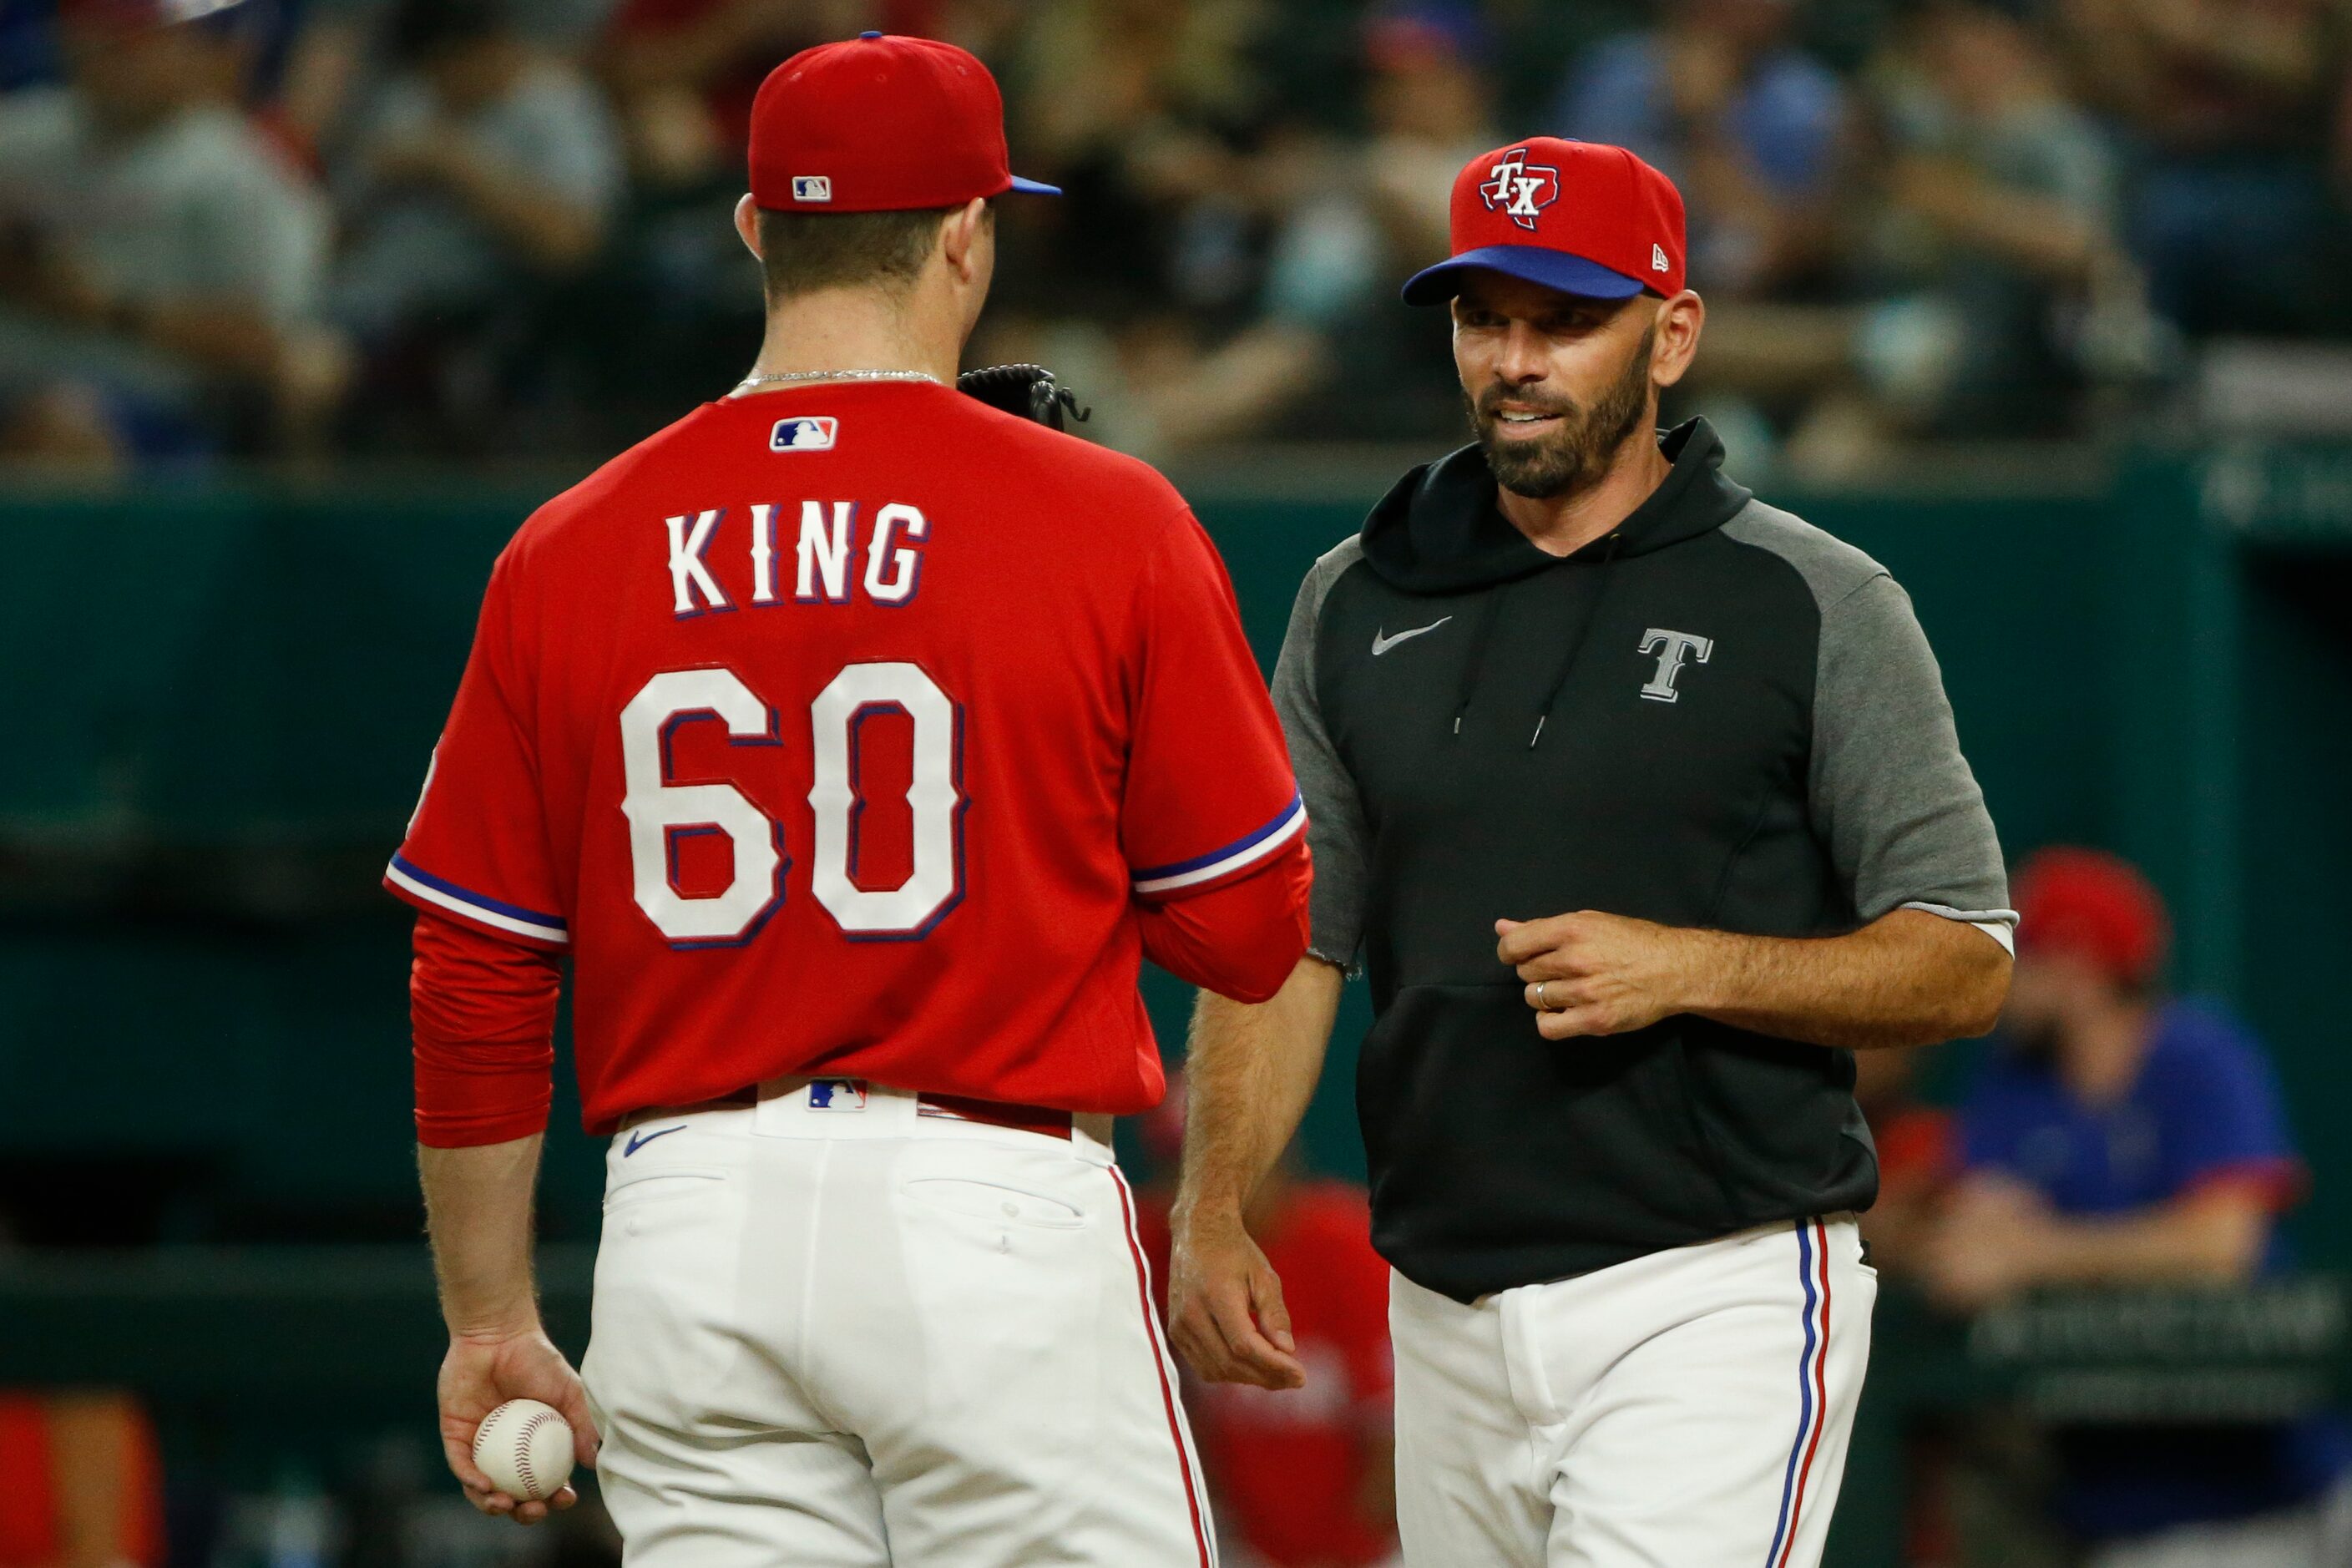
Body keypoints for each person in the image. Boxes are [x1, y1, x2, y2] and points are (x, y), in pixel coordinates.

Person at [384, 32, 1312, 1567]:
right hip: (992, 1197)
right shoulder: (1099, 513)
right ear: (968, 230)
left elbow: (475, 968)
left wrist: (489, 1315)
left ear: (754, 230)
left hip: (685, 1228)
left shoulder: (572, 541)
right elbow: (1249, 926)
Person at [1169, 136, 2016, 1566]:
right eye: (1483, 316)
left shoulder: (1811, 599)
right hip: (1439, 1295)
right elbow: (1288, 938)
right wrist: (1209, 1204)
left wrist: (1688, 964)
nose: (1516, 357)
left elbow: (1967, 956)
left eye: (1566, 318)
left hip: (1712, 1283)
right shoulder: (1355, 595)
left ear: (1670, 333)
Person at [1928, 846, 2352, 1565]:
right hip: (2136, 1514)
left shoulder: (2198, 1054)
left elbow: (2221, 1247)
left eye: (2024, 959)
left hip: (2289, 1473)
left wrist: (2036, 1254)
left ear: (2077, 967)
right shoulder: (2013, 1082)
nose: (2008, 983)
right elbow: (1962, 1251)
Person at [0, 0, 334, 468]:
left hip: (156, 412)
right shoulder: (20, 134)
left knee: (62, 424)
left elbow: (275, 346)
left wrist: (107, 308)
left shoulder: (241, 169)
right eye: (91, 36)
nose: (109, 56)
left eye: (134, 42)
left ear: (188, 46)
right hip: (14, 382)